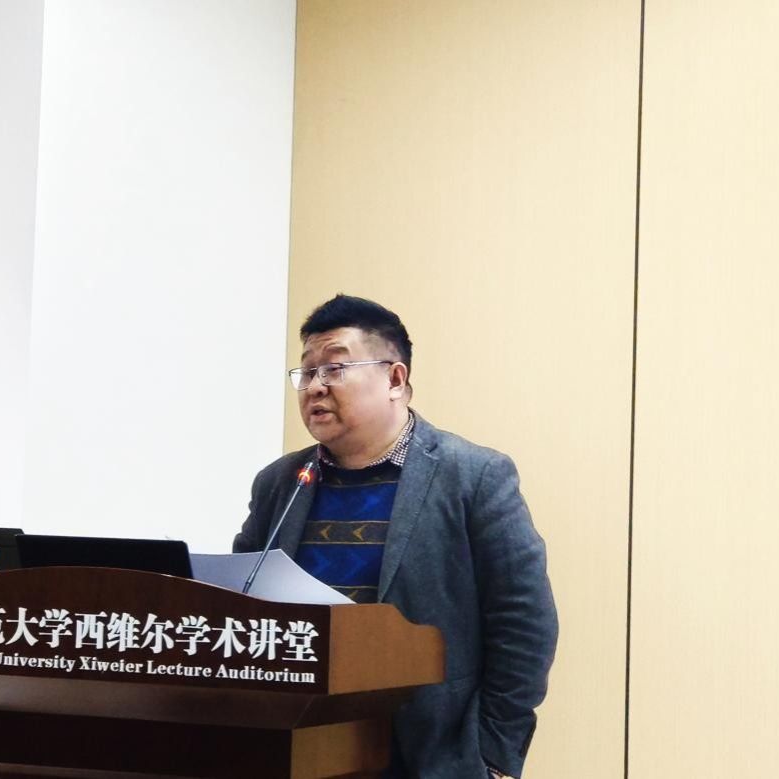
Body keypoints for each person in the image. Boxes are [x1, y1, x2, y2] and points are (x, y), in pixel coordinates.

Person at [234, 294, 558, 778]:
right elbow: (239, 603)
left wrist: (492, 753)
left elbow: (524, 621)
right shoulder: (280, 483)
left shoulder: (474, 476)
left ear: (394, 379)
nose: (315, 387)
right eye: (307, 372)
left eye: (334, 369)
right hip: (299, 750)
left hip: (429, 754)